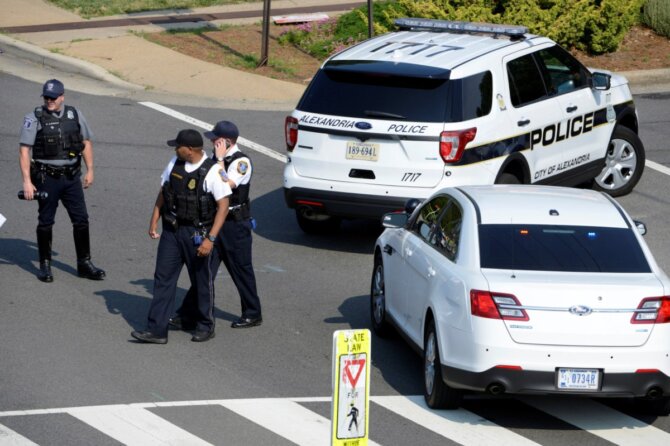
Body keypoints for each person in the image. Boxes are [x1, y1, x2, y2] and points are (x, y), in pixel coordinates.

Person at [131, 129, 231, 344]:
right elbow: (164, 192)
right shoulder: (174, 163)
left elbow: (223, 207)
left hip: (198, 233)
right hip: (172, 231)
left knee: (201, 281)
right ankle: (157, 330)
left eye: (178, 146)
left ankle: (205, 325)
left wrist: (211, 239)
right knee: (163, 279)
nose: (175, 149)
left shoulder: (212, 171)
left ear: (190, 149)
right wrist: (154, 218)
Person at [170, 120, 262, 330]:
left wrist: (219, 160)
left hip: (235, 225)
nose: (212, 142)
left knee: (241, 269)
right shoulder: (214, 159)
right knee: (204, 271)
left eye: (216, 139)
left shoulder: (241, 162)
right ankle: (187, 314)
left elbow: (227, 185)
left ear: (227, 142)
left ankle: (252, 312)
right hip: (215, 223)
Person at [19, 79, 105, 283]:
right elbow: (24, 150)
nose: (49, 101)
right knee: (46, 221)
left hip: (72, 177)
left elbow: (86, 142)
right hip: (47, 177)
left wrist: (90, 170)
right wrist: (27, 181)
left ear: (62, 96)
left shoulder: (75, 114)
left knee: (81, 219)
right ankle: (45, 265)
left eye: (53, 97)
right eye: (46, 97)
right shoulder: (34, 118)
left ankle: (84, 263)